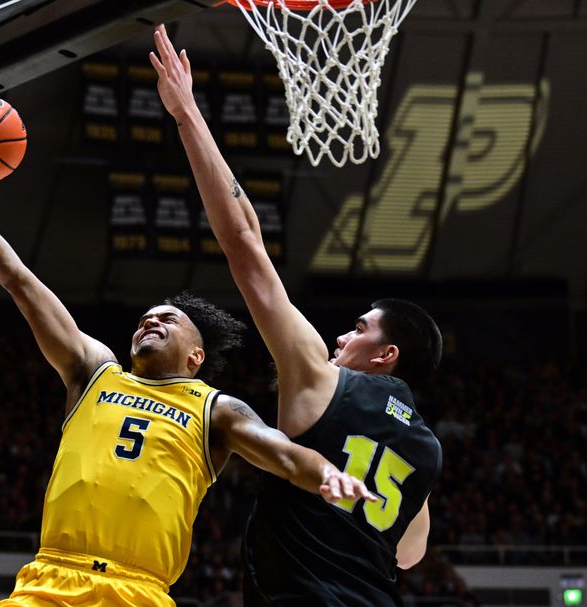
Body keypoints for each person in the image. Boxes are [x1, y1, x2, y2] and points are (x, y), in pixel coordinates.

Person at [0, 129, 375, 607]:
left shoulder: (217, 411)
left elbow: (285, 456)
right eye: (145, 318)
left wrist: (331, 474)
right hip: (50, 581)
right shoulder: (95, 371)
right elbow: (19, 281)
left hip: (139, 591)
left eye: (168, 318)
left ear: (195, 356)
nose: (150, 321)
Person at [151, 25, 443, 606]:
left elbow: (244, 244)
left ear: (387, 355)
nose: (341, 334)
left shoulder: (322, 377)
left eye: (360, 328)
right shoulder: (427, 451)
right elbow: (410, 554)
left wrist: (187, 115)